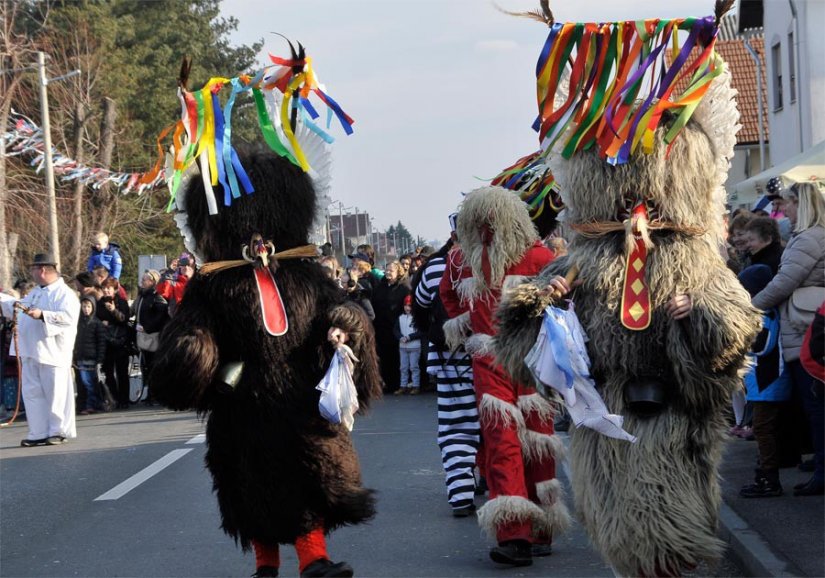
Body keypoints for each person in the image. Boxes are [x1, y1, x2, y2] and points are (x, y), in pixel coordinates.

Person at [440, 187, 568, 566]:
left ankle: (540, 526)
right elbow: (448, 296)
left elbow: (567, 298)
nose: (486, 229)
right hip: (492, 360)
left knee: (537, 442)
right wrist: (468, 324)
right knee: (503, 442)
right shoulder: (464, 260)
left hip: (534, 359)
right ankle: (515, 533)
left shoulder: (539, 256)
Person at [751, 182, 825, 497]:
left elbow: (785, 281)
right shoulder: (807, 236)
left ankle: (823, 470)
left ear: (801, 204)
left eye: (788, 205)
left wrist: (749, 306)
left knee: (816, 406)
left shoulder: (809, 238)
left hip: (806, 331)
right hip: (805, 329)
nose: (784, 211)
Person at [412, 229, 480, 517]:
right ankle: (497, 482)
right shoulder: (497, 259)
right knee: (497, 420)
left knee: (456, 425)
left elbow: (420, 305)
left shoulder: (435, 267)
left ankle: (461, 492)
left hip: (451, 354)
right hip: (492, 350)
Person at [0, 253, 80, 446]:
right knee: (32, 392)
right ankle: (38, 431)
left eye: (33, 269)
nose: (31, 273)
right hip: (31, 351)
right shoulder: (36, 292)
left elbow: (68, 318)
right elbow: (19, 308)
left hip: (53, 352)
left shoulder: (65, 294)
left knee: (55, 393)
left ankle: (57, 430)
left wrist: (43, 315)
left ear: (42, 270)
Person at [737, 265, 793, 498]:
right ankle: (764, 475)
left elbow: (762, 346)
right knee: (764, 429)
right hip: (762, 385)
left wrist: (739, 339)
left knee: (763, 429)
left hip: (768, 382)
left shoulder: (765, 314)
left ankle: (769, 479)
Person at [371, 260, 411, 392]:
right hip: (381, 327)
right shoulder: (380, 286)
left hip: (398, 327)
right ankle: (387, 383)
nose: (388, 273)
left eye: (391, 270)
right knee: (384, 356)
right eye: (386, 270)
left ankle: (400, 383)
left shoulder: (404, 288)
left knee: (398, 357)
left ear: (398, 272)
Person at [131, 270, 169, 405]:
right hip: (142, 337)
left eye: (145, 279)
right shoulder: (141, 296)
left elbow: (161, 316)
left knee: (154, 366)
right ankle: (149, 393)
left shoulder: (157, 296)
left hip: (153, 337)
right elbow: (134, 312)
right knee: (145, 366)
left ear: (153, 281)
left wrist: (147, 328)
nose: (142, 281)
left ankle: (156, 394)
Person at [97, 277, 131, 409]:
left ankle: (124, 399)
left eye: (109, 288)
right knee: (108, 372)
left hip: (120, 341)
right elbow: (97, 319)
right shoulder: (99, 303)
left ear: (115, 290)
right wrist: (102, 323)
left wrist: (113, 310)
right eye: (104, 288)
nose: (106, 290)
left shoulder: (122, 302)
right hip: (106, 343)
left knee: (122, 372)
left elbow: (124, 319)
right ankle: (114, 398)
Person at [73, 296, 106, 415]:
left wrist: (100, 359)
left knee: (90, 383)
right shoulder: (77, 323)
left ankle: (92, 404)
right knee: (84, 383)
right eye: (84, 306)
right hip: (81, 357)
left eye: (88, 306)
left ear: (93, 307)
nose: (86, 309)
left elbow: (101, 342)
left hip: (92, 358)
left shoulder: (96, 323)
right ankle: (90, 404)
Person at [394, 295, 422, 395]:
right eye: (406, 305)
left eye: (409, 305)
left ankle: (416, 385)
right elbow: (396, 330)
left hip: (414, 346)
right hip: (403, 346)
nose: (407, 308)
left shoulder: (416, 318)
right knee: (403, 367)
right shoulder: (400, 317)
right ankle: (403, 385)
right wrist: (400, 337)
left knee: (414, 367)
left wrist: (409, 337)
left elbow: (420, 332)